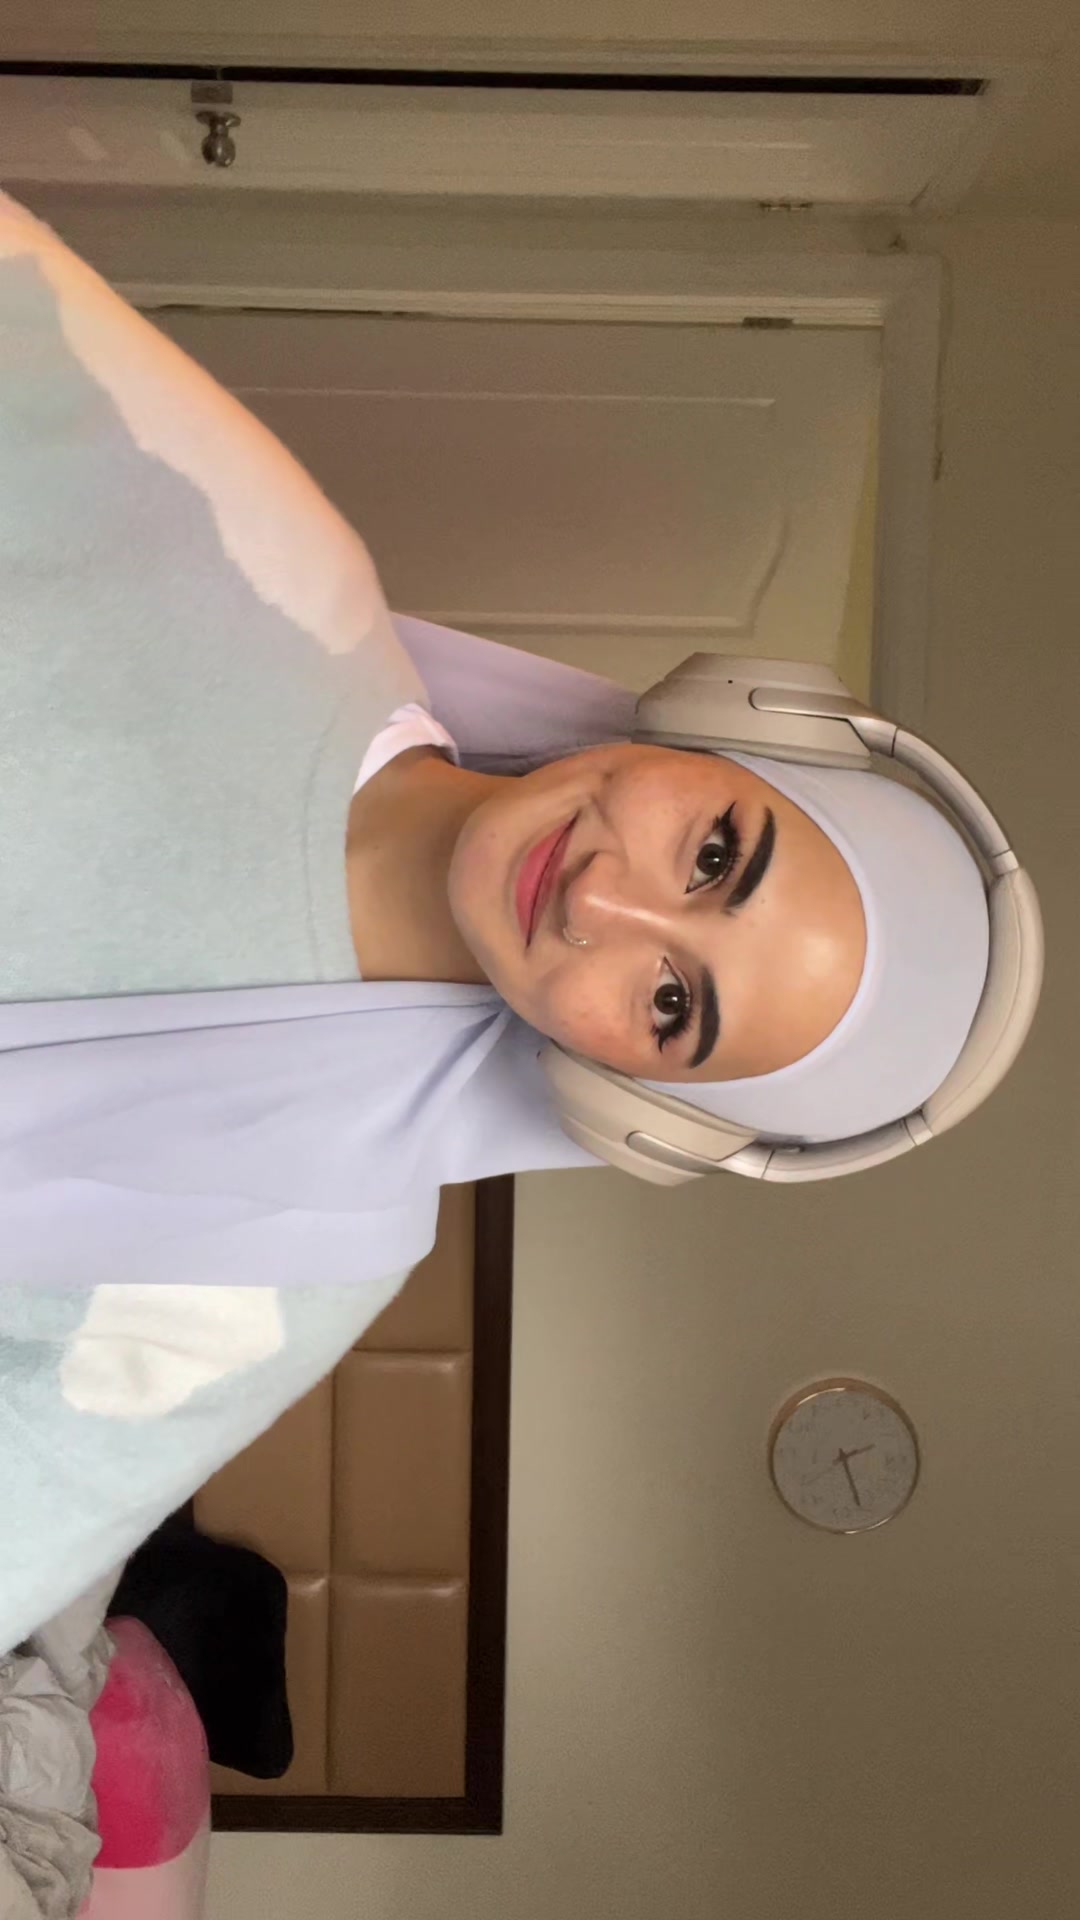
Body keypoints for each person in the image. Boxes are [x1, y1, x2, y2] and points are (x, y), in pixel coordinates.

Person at [0, 186, 1042, 1909]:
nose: (610, 909)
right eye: (719, 852)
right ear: (727, 729)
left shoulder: (300, 1259)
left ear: (640, 1103)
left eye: (675, 1008)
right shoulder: (267, 566)